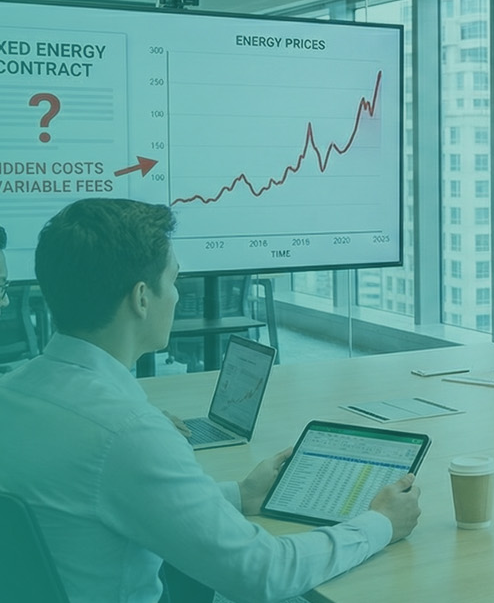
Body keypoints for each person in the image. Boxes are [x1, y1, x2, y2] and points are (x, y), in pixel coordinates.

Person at [0, 199, 422, 603]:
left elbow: (100, 500)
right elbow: (261, 573)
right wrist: (380, 523)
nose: (179, 296)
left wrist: (239, 495)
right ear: (142, 298)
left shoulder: (15, 392)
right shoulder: (127, 432)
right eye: (174, 280)